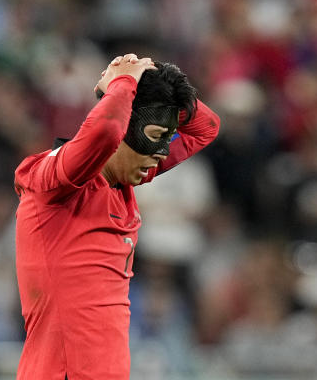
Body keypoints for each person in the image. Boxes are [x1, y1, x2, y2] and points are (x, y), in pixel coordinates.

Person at [13, 53, 220, 379]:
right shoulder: (54, 181)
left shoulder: (122, 178)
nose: (161, 154)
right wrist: (122, 82)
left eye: (167, 138)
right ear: (126, 126)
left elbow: (205, 127)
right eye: (154, 136)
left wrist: (149, 72)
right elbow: (107, 130)